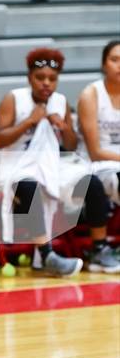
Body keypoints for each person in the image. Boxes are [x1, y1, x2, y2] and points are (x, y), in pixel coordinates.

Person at [0, 47, 83, 276]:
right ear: (29, 78)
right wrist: (29, 121)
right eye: (40, 78)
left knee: (90, 182)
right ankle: (47, 254)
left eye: (52, 79)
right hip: (13, 167)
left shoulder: (61, 102)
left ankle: (98, 248)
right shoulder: (13, 99)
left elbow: (72, 146)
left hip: (49, 166)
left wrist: (63, 128)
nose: (46, 83)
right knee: (30, 184)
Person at [75, 40, 120, 272]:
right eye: (114, 59)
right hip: (95, 165)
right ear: (104, 64)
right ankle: (99, 248)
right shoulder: (91, 95)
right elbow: (95, 151)